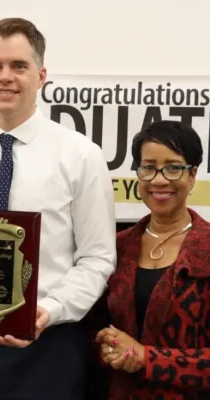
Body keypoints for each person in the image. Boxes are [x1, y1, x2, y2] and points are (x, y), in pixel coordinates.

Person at [0, 17, 117, 399]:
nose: (5, 77)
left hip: (49, 343)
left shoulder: (81, 156)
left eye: (18, 66)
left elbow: (97, 258)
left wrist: (48, 310)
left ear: (42, 74)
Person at [93, 120, 210, 399]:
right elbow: (92, 329)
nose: (159, 179)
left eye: (173, 167)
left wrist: (147, 358)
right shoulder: (115, 246)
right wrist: (105, 346)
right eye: (148, 167)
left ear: (192, 175)